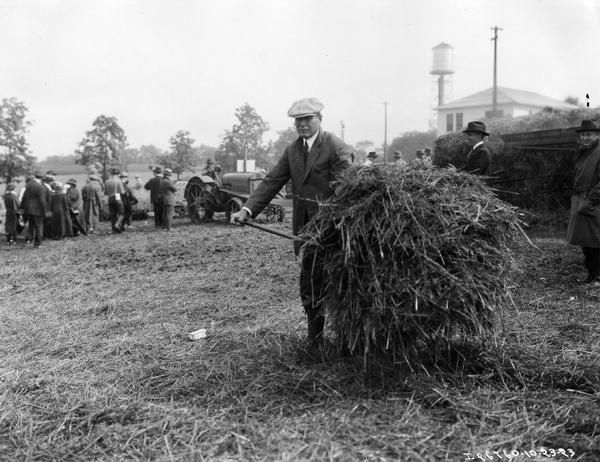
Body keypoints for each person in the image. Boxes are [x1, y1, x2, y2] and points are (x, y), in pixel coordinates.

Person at [230, 97, 353, 347]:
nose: (302, 125)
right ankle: (315, 339)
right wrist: (247, 210)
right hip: (305, 231)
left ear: (320, 119)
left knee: (340, 283)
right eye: (298, 120)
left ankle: (347, 340)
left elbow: (347, 191)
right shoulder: (293, 150)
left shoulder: (336, 147)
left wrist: (330, 224)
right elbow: (272, 181)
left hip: (334, 231)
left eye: (308, 119)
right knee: (310, 282)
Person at [566, 120, 600, 284]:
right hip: (582, 199)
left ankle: (596, 276)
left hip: (593, 202)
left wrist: (591, 200)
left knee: (595, 241)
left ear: (597, 135)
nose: (586, 137)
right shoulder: (584, 151)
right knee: (586, 242)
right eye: (583, 134)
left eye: (589, 134)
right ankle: (592, 276)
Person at [20, 170, 50, 247]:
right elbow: (42, 200)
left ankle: (29, 240)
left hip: (28, 210)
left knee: (31, 226)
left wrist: (21, 208)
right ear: (42, 178)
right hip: (37, 211)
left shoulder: (29, 185)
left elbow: (24, 197)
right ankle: (37, 244)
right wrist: (47, 211)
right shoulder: (40, 187)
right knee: (39, 227)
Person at [104, 167, 126, 234]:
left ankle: (114, 230)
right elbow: (122, 192)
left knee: (113, 215)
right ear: (118, 174)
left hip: (110, 198)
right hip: (117, 197)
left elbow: (106, 193)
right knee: (122, 213)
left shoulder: (107, 181)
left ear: (111, 173)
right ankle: (117, 224)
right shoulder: (119, 181)